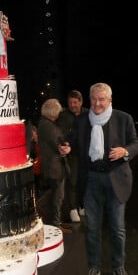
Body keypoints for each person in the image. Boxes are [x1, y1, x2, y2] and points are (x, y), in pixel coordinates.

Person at [59, 82, 138, 275]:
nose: (97, 103)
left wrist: (125, 151)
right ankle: (94, 267)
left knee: (117, 228)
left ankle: (118, 267)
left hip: (117, 179)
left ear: (110, 100)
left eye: (102, 99)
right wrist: (66, 147)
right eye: (94, 99)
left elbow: (137, 143)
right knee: (93, 228)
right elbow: (70, 141)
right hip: (91, 180)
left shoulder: (123, 118)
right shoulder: (82, 121)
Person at [38, 98, 73, 233]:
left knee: (57, 196)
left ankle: (57, 222)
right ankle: (56, 224)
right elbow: (58, 144)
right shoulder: (48, 125)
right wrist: (66, 146)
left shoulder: (44, 124)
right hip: (54, 168)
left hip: (53, 167)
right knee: (57, 197)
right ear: (53, 112)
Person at [57, 89, 88, 223]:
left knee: (84, 181)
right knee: (73, 182)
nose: (72, 105)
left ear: (81, 102)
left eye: (75, 102)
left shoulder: (88, 113)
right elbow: (60, 134)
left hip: (86, 154)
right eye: (70, 102)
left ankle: (82, 205)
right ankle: (72, 209)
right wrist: (65, 144)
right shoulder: (63, 116)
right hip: (72, 154)